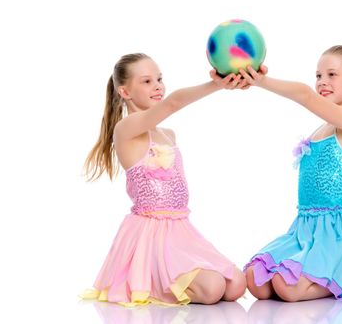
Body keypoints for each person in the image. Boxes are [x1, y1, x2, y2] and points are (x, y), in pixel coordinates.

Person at [80, 53, 246, 306]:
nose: (157, 86)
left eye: (159, 79)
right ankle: (150, 281)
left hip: (181, 230)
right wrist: (216, 84)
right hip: (151, 234)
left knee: (236, 285)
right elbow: (173, 103)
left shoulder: (167, 133)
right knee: (212, 289)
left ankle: (179, 278)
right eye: (146, 81)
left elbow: (168, 108)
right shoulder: (125, 130)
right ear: (124, 92)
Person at [240, 45, 342, 301]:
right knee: (255, 279)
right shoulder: (324, 126)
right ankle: (314, 274)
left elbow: (306, 96)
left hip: (341, 232)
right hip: (306, 229)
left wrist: (262, 81)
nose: (322, 82)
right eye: (318, 76)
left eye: (331, 75)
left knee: (287, 287)